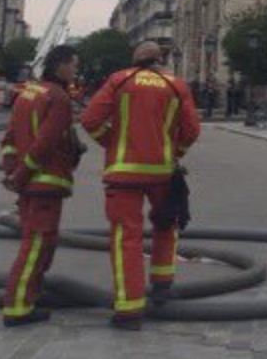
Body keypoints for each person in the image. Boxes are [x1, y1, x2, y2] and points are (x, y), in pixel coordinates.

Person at [81, 41, 201, 329]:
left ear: (135, 60)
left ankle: (129, 308)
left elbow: (90, 119)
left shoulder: (120, 80)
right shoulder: (176, 85)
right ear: (159, 60)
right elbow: (192, 130)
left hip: (123, 173)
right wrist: (174, 153)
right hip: (162, 172)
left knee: (126, 238)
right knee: (165, 226)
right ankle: (162, 286)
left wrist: (110, 142)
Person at [0, 45, 82, 328]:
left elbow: (9, 138)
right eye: (73, 65)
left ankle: (31, 295)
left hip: (27, 185)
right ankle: (18, 306)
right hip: (45, 182)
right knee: (36, 246)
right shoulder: (58, 98)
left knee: (38, 244)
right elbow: (45, 143)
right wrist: (21, 175)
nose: (75, 71)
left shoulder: (28, 92)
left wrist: (12, 172)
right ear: (60, 65)